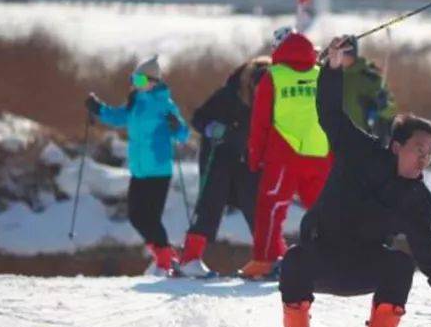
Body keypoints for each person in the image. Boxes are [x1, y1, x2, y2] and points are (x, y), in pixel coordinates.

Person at [277, 36, 431, 327]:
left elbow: (427, 249)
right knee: (292, 260)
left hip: (363, 267)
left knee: (401, 264)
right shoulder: (360, 151)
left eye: (430, 153)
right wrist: (331, 69)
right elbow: (330, 114)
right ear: (395, 146)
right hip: (322, 258)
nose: (424, 157)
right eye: (418, 148)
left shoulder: (417, 198)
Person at [240, 29, 332, 280]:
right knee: (324, 210)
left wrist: (254, 155)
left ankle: (265, 260)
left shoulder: (274, 76)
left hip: (284, 155)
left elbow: (260, 120)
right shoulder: (322, 74)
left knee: (271, 207)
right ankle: (334, 257)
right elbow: (336, 117)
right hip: (321, 154)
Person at [86, 56, 190, 276]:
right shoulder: (135, 102)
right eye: (134, 78)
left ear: (153, 81)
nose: (135, 83)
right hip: (139, 170)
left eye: (140, 79)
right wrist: (97, 108)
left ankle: (165, 261)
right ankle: (166, 256)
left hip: (158, 170)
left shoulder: (164, 104)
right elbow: (116, 117)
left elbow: (183, 134)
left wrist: (176, 125)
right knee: (135, 216)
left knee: (150, 218)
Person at [177, 56, 272, 277]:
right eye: (261, 88)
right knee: (210, 205)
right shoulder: (228, 95)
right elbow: (198, 118)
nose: (264, 92)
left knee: (258, 208)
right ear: (251, 83)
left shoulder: (270, 100)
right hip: (219, 157)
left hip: (248, 160)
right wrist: (211, 128)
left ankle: (268, 259)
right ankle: (189, 259)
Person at [339, 35, 398, 141]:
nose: (342, 57)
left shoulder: (370, 78)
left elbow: (391, 110)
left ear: (353, 54)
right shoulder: (329, 76)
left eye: (345, 53)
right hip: (332, 138)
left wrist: (383, 105)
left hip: (362, 139)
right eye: (339, 53)